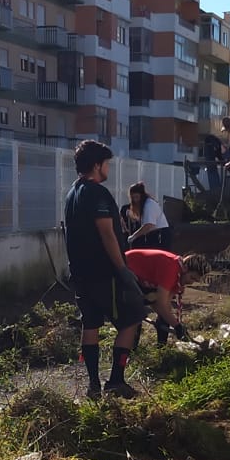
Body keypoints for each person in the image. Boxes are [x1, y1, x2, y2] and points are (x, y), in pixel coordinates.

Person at [63, 140, 149, 399]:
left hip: (79, 273)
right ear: (97, 165)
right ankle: (115, 381)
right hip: (104, 272)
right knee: (132, 318)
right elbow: (107, 234)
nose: (108, 168)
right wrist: (122, 269)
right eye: (107, 164)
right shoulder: (97, 193)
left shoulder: (72, 193)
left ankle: (92, 385)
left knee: (90, 324)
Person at [125, 249, 208, 345]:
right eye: (192, 277)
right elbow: (160, 304)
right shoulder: (171, 268)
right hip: (124, 269)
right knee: (136, 310)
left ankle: (161, 346)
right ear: (185, 268)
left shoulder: (179, 275)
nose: (191, 282)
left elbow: (165, 305)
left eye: (195, 280)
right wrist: (177, 326)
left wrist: (174, 324)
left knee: (164, 314)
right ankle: (131, 350)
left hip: (140, 279)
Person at [125, 181, 173, 250]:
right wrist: (132, 215)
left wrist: (133, 236)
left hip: (160, 236)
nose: (135, 200)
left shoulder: (149, 205)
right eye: (133, 198)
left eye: (137, 197)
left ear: (142, 195)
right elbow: (145, 221)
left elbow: (148, 225)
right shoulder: (144, 205)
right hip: (154, 235)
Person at [201, 133, 223, 198]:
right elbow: (218, 153)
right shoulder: (212, 142)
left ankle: (215, 191)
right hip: (210, 161)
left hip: (210, 161)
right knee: (213, 174)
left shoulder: (212, 142)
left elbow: (218, 153)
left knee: (212, 174)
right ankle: (216, 191)